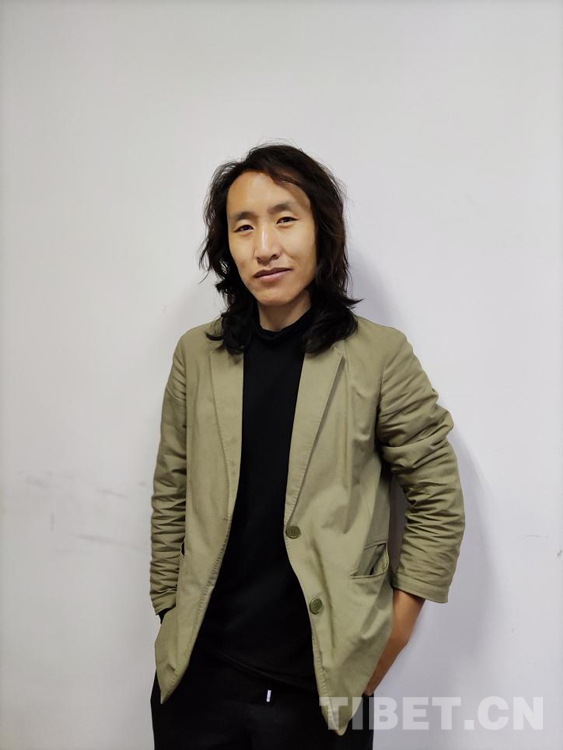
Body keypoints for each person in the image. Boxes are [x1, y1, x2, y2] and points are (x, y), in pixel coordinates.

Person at [149, 143, 465, 748]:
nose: (265, 246)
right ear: (227, 245)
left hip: (320, 691)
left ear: (323, 230)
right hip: (197, 680)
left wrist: (391, 638)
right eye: (244, 227)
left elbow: (438, 500)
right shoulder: (197, 354)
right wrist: (168, 608)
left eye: (285, 218)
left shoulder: (379, 356)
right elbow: (172, 487)